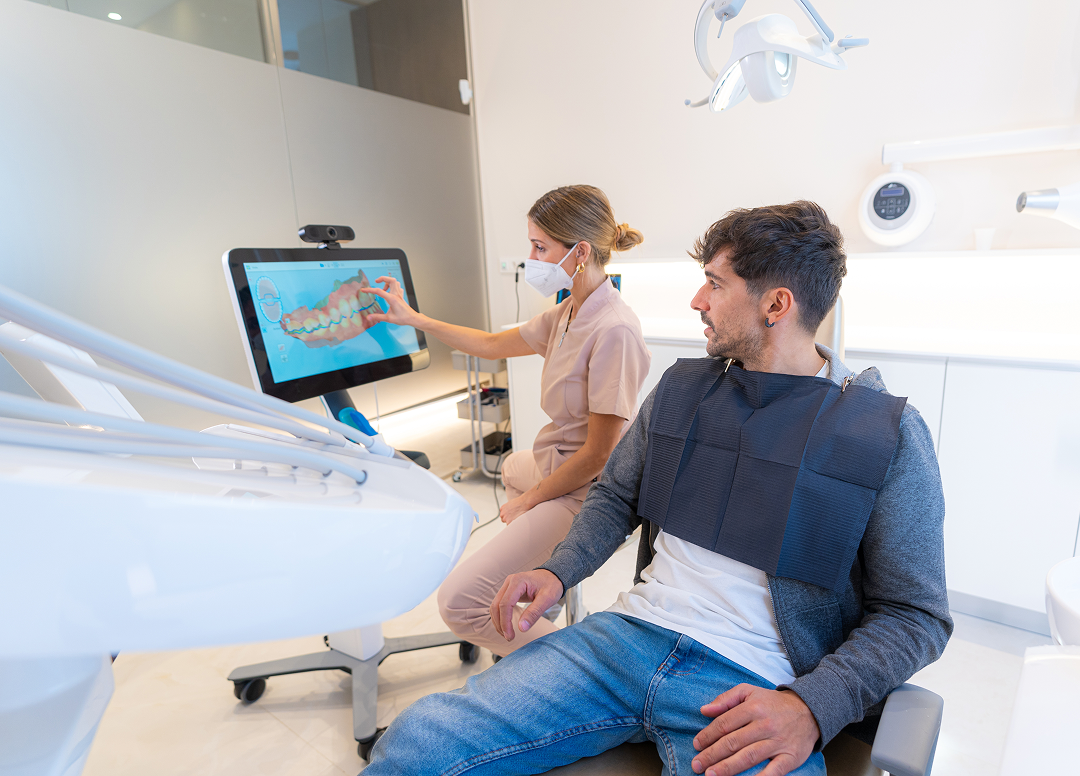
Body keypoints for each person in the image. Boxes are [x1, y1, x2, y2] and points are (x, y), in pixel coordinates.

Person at [363, 202, 952, 776]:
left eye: (714, 285)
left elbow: (915, 615)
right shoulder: (682, 390)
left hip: (753, 682)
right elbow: (615, 496)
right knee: (415, 743)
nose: (697, 300)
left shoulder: (883, 432)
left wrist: (811, 705)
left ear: (776, 304)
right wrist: (557, 571)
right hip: (624, 642)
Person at [365, 184, 651, 657]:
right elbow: (492, 344)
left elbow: (600, 454)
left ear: (580, 252)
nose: (531, 259)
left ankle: (578, 668)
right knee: (513, 466)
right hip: (556, 462)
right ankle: (537, 598)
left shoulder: (614, 330)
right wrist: (414, 319)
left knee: (459, 603)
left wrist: (532, 501)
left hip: (588, 489)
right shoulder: (569, 310)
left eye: (540, 247)